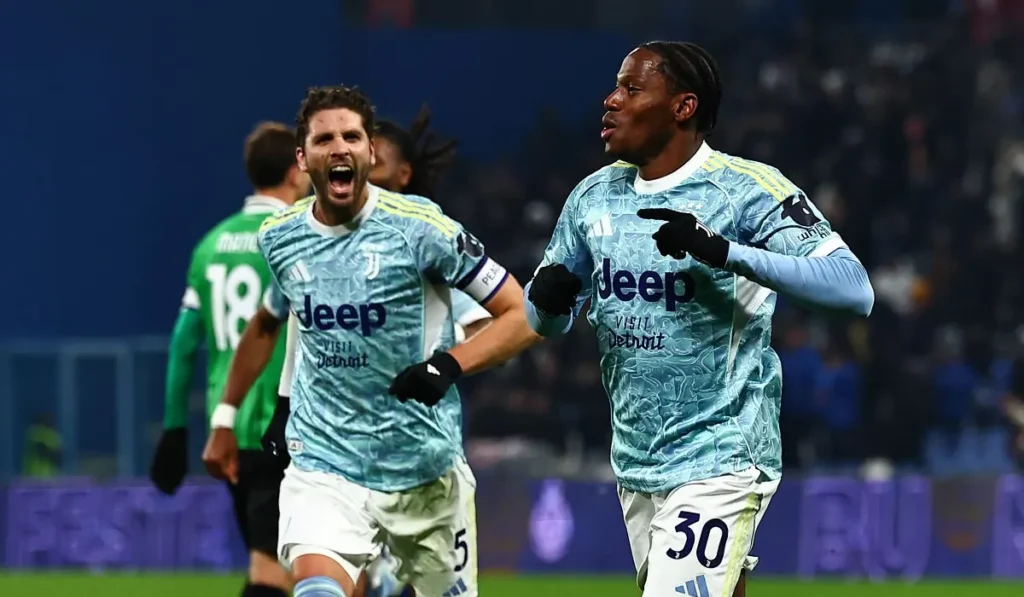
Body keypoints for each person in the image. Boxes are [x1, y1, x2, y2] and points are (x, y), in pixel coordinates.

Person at [524, 41, 874, 597]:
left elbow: (854, 290)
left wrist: (725, 252)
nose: (611, 100)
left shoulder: (747, 190)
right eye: (616, 87)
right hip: (637, 460)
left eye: (632, 88)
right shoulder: (591, 198)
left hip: (723, 453)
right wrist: (546, 301)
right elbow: (545, 321)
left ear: (683, 107)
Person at [205, 85, 537, 597]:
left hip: (423, 467)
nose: (339, 147)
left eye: (351, 137)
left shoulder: (422, 230)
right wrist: (276, 407)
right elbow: (288, 321)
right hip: (324, 462)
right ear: (303, 159)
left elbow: (522, 314)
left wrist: (448, 366)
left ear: (370, 151)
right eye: (324, 139)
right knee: (318, 588)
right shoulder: (280, 236)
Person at [150, 122, 309, 597]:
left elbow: (183, 344)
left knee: (283, 565)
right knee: (276, 571)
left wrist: (175, 429)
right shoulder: (294, 237)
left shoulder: (210, 246)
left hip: (230, 428)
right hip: (283, 425)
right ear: (293, 172)